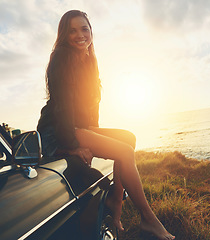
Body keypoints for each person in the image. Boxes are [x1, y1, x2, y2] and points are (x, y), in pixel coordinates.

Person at [37, 10, 175, 240]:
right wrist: (73, 146)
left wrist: (96, 137)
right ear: (64, 35)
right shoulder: (62, 57)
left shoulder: (90, 60)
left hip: (78, 126)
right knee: (125, 152)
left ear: (91, 31)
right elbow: (62, 107)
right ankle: (148, 219)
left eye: (84, 29)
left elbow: (92, 107)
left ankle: (115, 209)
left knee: (127, 137)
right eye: (72, 30)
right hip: (58, 129)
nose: (80, 35)